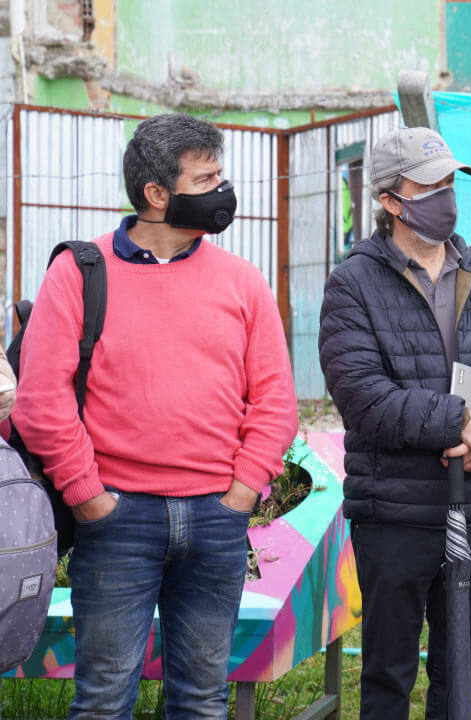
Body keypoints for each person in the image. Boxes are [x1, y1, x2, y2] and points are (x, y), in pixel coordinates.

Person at [12, 113, 299, 718]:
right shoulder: (78, 273)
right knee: (103, 702)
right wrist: (89, 496)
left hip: (217, 520)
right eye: (207, 178)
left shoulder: (244, 283)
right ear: (157, 194)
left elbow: (275, 403)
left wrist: (242, 494)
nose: (223, 191)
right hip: (117, 519)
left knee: (201, 701)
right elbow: (42, 402)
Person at [318, 126, 471, 720]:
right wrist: (460, 421)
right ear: (390, 200)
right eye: (429, 186)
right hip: (395, 511)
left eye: (450, 182)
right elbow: (363, 397)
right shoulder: (353, 284)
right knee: (389, 675)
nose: (445, 195)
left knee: (462, 675)